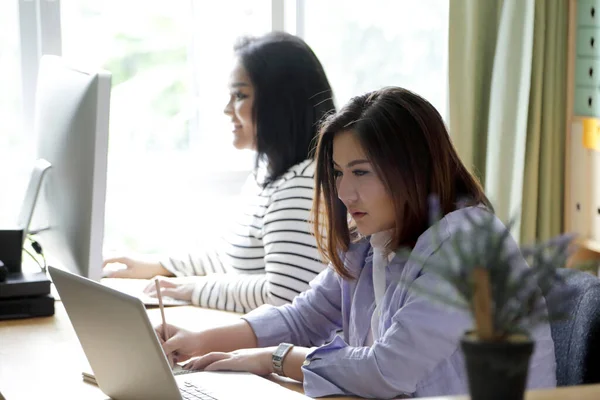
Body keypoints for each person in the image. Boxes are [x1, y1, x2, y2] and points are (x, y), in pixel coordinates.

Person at [154, 87, 557, 399]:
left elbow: (388, 370)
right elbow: (304, 319)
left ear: (411, 170)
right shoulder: (374, 237)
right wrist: (197, 342)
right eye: (338, 172)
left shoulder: (469, 247)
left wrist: (275, 359)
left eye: (361, 172)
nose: (344, 192)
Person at [102, 32, 336, 312]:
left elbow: (285, 294)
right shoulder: (269, 175)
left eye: (240, 95)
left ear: (280, 103)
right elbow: (233, 260)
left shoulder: (301, 185)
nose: (227, 109)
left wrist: (192, 289)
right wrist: (161, 266)